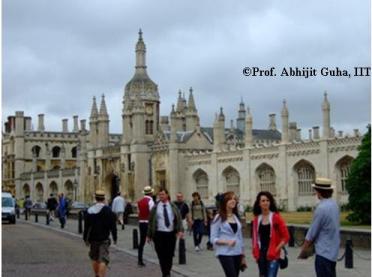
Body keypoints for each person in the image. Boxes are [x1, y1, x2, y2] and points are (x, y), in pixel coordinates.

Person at [298, 177, 340, 277]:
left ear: (319, 192)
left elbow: (312, 232)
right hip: (333, 253)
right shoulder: (334, 205)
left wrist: (303, 250)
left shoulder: (321, 208)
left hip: (323, 253)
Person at [147, 188, 183, 277]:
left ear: (167, 195)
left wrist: (180, 230)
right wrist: (149, 235)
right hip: (159, 234)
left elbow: (178, 218)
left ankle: (167, 271)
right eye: (160, 195)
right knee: (161, 254)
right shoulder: (155, 207)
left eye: (163, 194)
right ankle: (165, 273)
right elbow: (151, 221)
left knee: (170, 254)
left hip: (170, 234)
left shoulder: (173, 206)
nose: (161, 196)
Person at [252, 191, 289, 277]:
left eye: (267, 200)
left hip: (273, 254)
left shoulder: (276, 218)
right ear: (259, 203)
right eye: (263, 201)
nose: (265, 203)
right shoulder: (257, 220)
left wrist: (276, 249)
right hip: (261, 254)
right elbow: (255, 238)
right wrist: (255, 252)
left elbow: (286, 237)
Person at [211, 191, 246, 277]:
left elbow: (240, 237)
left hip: (237, 252)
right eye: (230, 199)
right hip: (225, 252)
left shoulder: (235, 217)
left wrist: (243, 256)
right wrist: (226, 242)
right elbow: (213, 238)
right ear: (224, 202)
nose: (233, 201)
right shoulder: (219, 217)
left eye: (234, 199)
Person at [83, 190, 117, 277]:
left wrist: (85, 238)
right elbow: (113, 226)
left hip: (93, 238)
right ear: (104, 198)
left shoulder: (90, 210)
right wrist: (115, 237)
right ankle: (101, 276)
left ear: (95, 198)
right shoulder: (108, 211)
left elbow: (86, 227)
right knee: (103, 259)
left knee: (94, 258)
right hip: (104, 238)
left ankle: (97, 274)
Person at [137, 186, 155, 267]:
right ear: (151, 193)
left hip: (141, 223)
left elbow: (138, 212)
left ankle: (139, 259)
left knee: (142, 241)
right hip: (148, 222)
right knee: (155, 239)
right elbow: (152, 213)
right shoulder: (150, 201)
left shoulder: (139, 201)